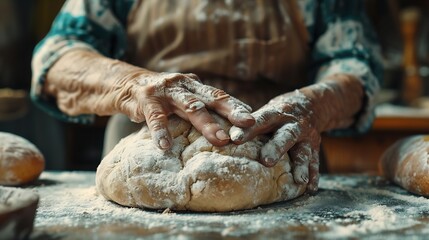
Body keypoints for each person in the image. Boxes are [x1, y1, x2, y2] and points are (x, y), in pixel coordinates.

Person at [31, 0, 382, 194]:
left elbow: (355, 67)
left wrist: (313, 105)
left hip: (280, 149)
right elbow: (57, 56)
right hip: (150, 151)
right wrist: (133, 84)